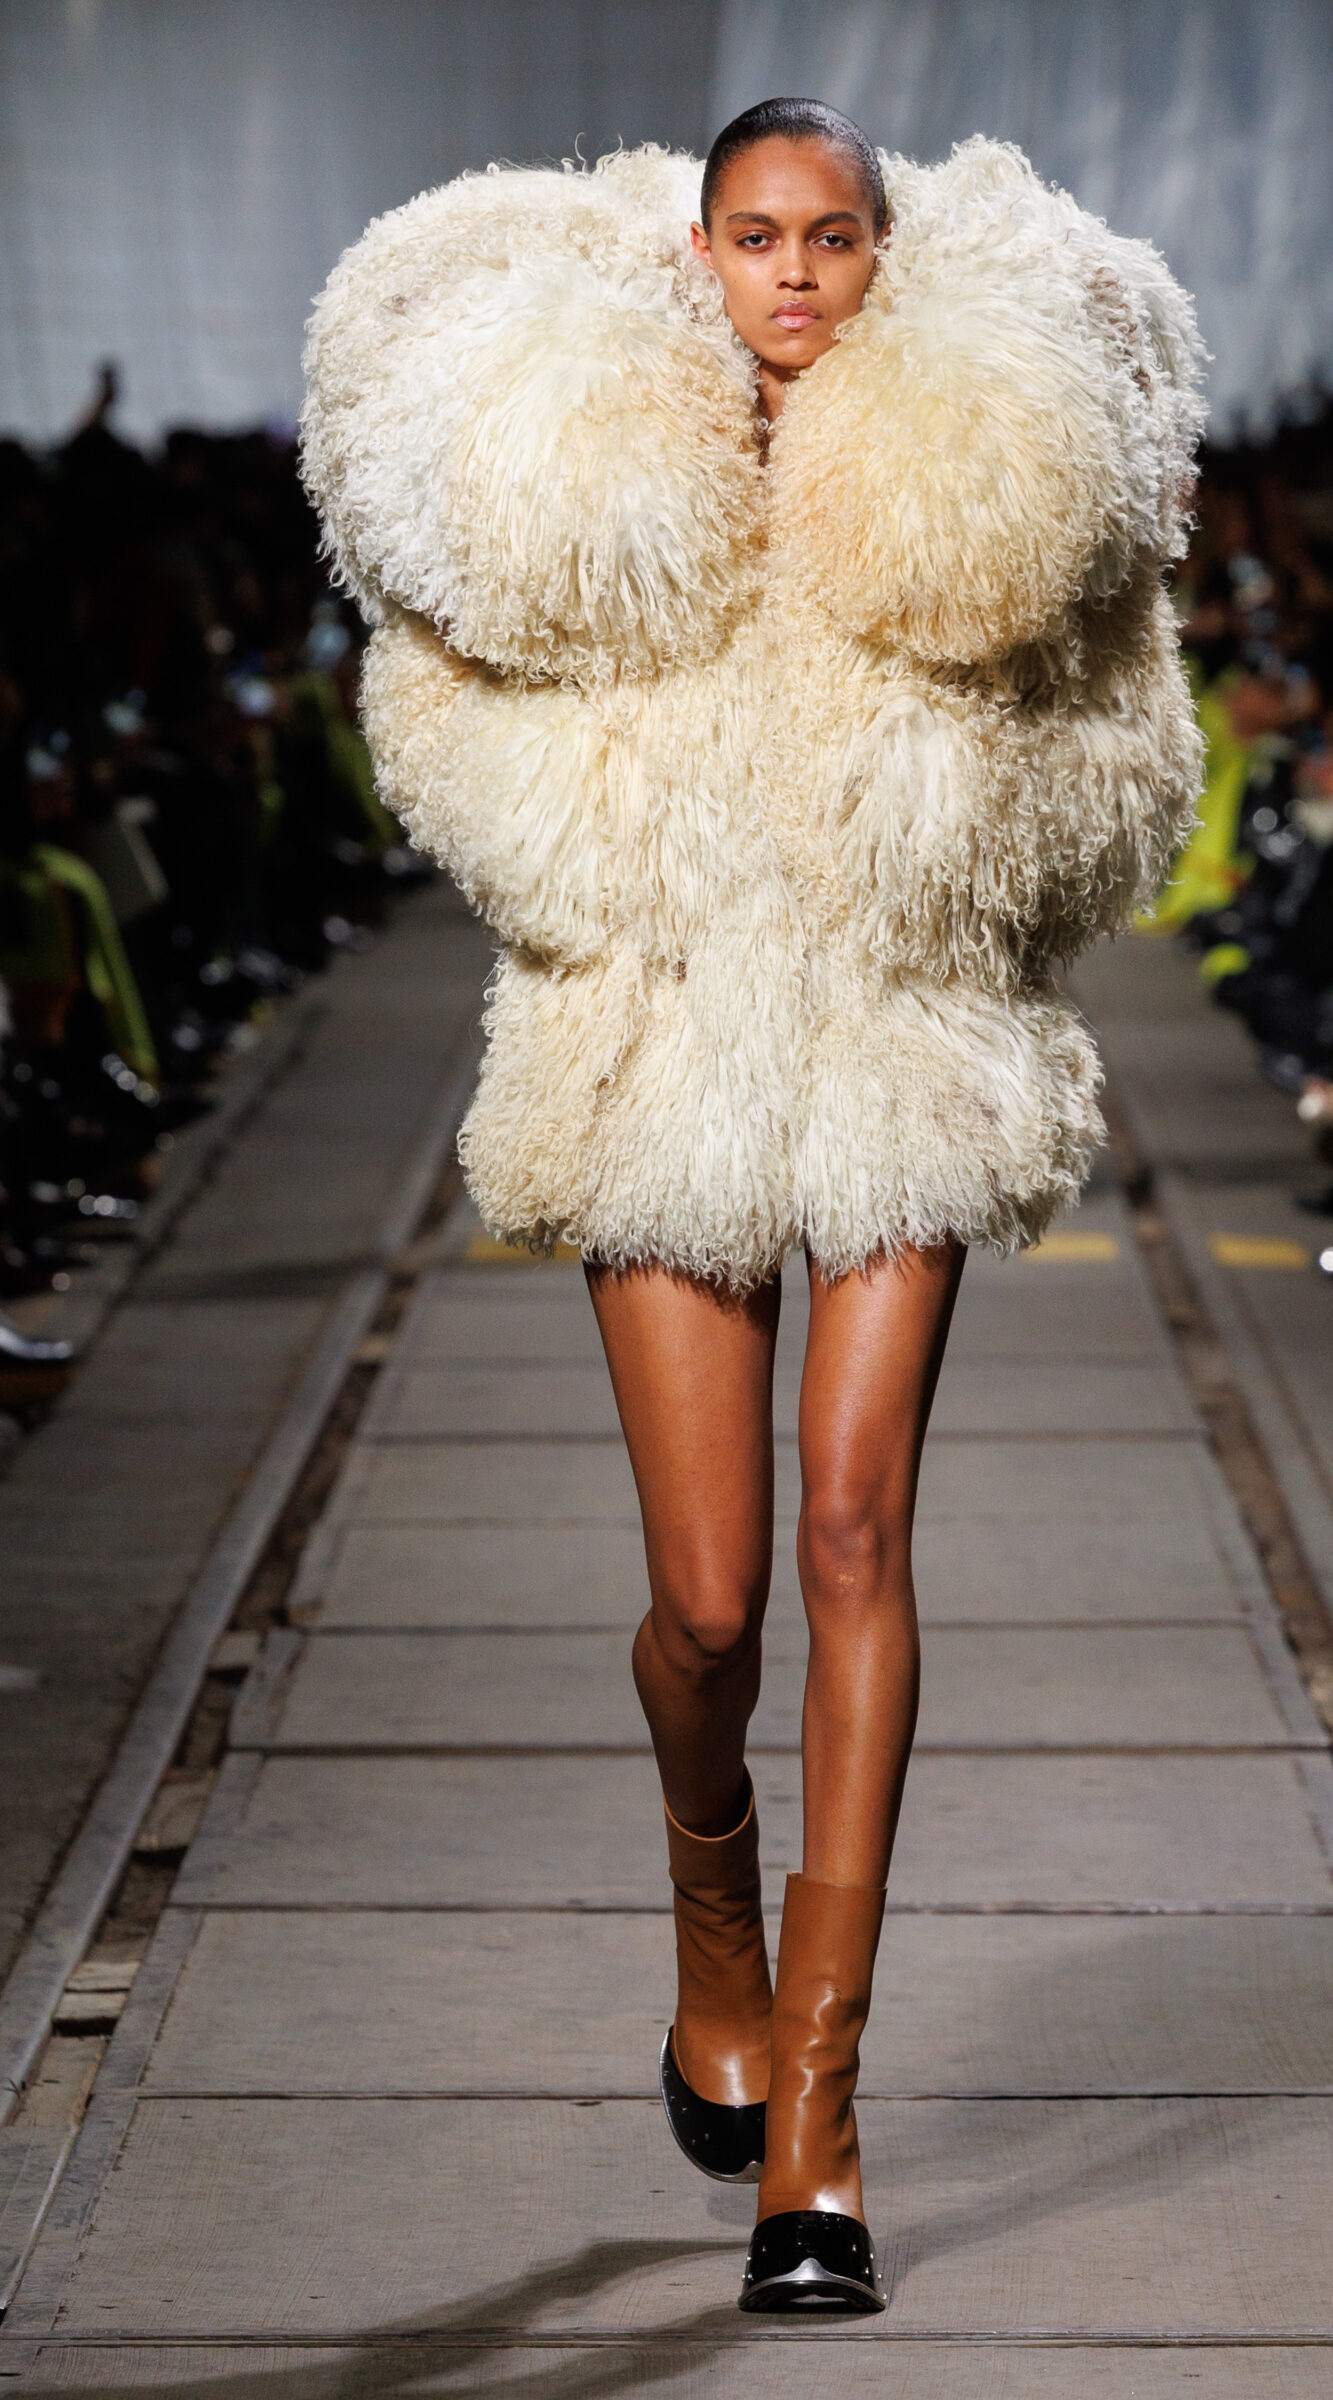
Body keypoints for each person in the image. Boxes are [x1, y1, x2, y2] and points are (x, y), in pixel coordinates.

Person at [302, 96, 1203, 2314]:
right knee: (703, 1607)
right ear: (688, 251)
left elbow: (1114, 773)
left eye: (828, 238)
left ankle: (818, 2108)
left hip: (897, 1050)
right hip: (668, 1063)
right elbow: (445, 734)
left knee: (849, 1534)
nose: (790, 274)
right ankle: (709, 1904)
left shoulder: (983, 495)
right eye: (750, 236)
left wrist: (959, 905)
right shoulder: (592, 487)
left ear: (884, 258)